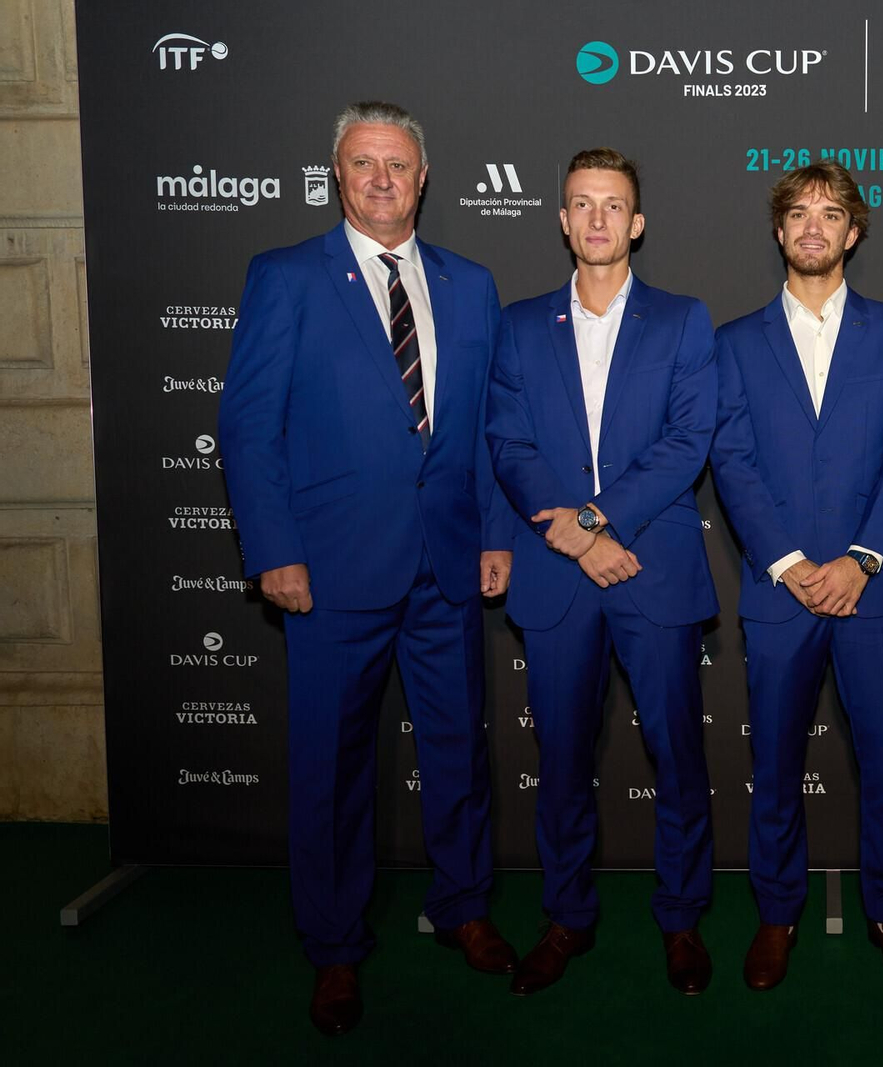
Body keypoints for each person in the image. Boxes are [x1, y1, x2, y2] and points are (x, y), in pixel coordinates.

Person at [217, 101, 516, 1036]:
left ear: (423, 177)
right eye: (362, 164)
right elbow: (247, 425)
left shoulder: (471, 284)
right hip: (333, 570)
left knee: (459, 750)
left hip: (446, 562)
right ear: (336, 176)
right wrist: (275, 550)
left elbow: (486, 430)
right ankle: (335, 947)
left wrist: (497, 533)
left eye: (397, 164)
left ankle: (464, 907)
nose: (381, 179)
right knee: (331, 768)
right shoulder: (287, 277)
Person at [487, 148, 719, 997]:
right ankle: (567, 915)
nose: (596, 220)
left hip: (651, 567)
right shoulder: (518, 326)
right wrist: (583, 541)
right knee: (559, 762)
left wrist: (594, 521)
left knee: (678, 756)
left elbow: (686, 444)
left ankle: (684, 917)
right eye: (581, 204)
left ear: (637, 222)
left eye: (612, 205)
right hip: (558, 581)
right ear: (561, 219)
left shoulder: (684, 320)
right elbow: (507, 444)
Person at [710, 163, 883, 990]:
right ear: (778, 233)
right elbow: (730, 462)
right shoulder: (732, 342)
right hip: (780, 594)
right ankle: (776, 913)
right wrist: (796, 565)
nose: (812, 227)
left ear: (854, 232)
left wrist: (864, 558)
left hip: (874, 590)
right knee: (773, 766)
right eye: (798, 214)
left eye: (830, 214)